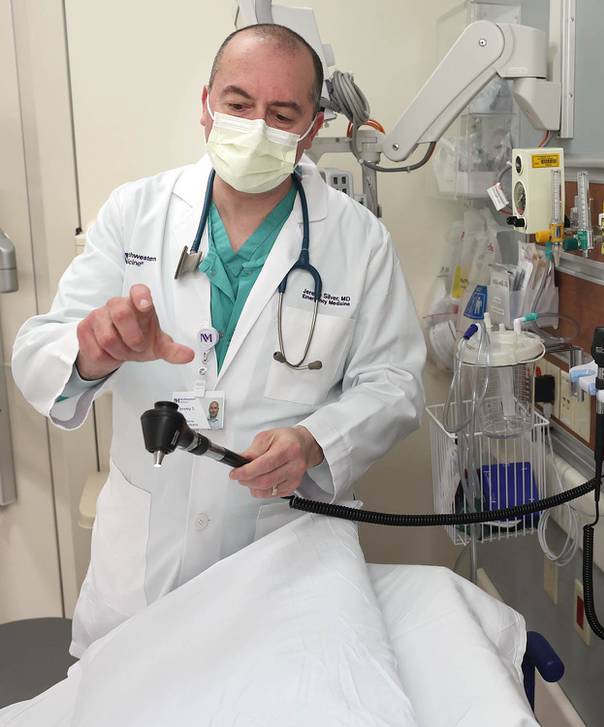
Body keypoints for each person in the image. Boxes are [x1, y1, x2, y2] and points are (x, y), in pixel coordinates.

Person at [12, 23, 425, 658]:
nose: (256, 127)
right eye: (238, 105)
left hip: (280, 559)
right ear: (206, 104)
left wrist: (316, 441)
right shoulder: (134, 213)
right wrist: (93, 350)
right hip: (142, 579)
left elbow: (394, 385)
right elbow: (38, 352)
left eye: (282, 113)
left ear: (313, 129)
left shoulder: (358, 240)